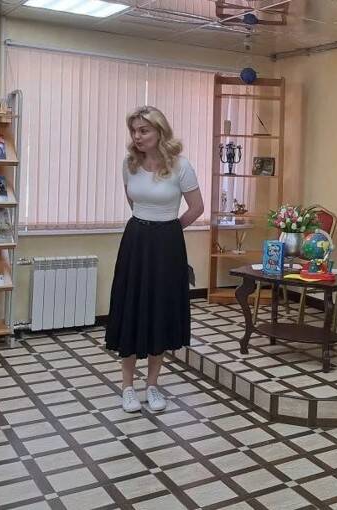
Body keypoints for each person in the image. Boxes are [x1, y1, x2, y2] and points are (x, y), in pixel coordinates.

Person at [105, 106, 204, 413]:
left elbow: (197, 208)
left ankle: (152, 385)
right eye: (134, 130)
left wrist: (169, 230)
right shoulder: (129, 164)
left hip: (167, 245)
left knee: (160, 310)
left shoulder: (181, 166)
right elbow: (134, 202)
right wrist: (149, 226)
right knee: (131, 309)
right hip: (136, 241)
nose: (137, 136)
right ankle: (127, 387)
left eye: (143, 130)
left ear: (160, 131)